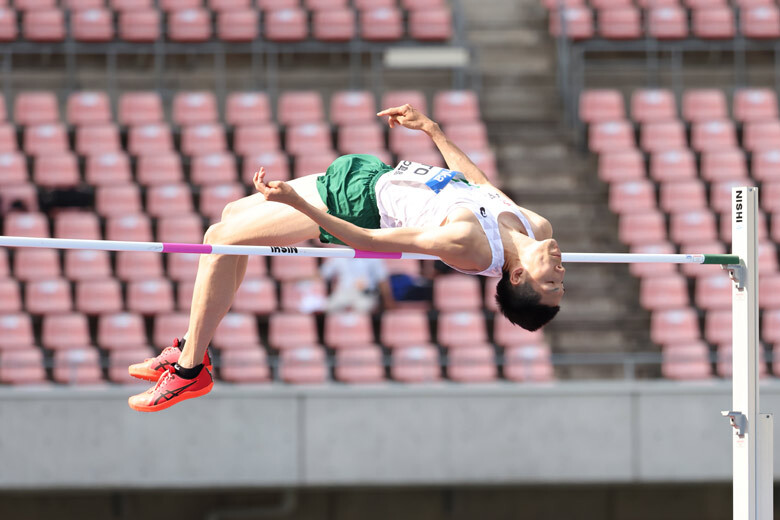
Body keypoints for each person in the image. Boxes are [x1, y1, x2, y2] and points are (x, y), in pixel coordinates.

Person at [127, 104, 565, 412]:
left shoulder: (468, 246)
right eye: (561, 282)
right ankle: (191, 347)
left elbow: (372, 242)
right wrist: (434, 131)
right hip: (369, 174)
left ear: (519, 274)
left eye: (551, 283)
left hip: (355, 206)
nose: (561, 272)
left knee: (220, 240)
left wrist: (301, 206)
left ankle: (189, 369)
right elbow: (479, 184)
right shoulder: (537, 227)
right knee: (226, 222)